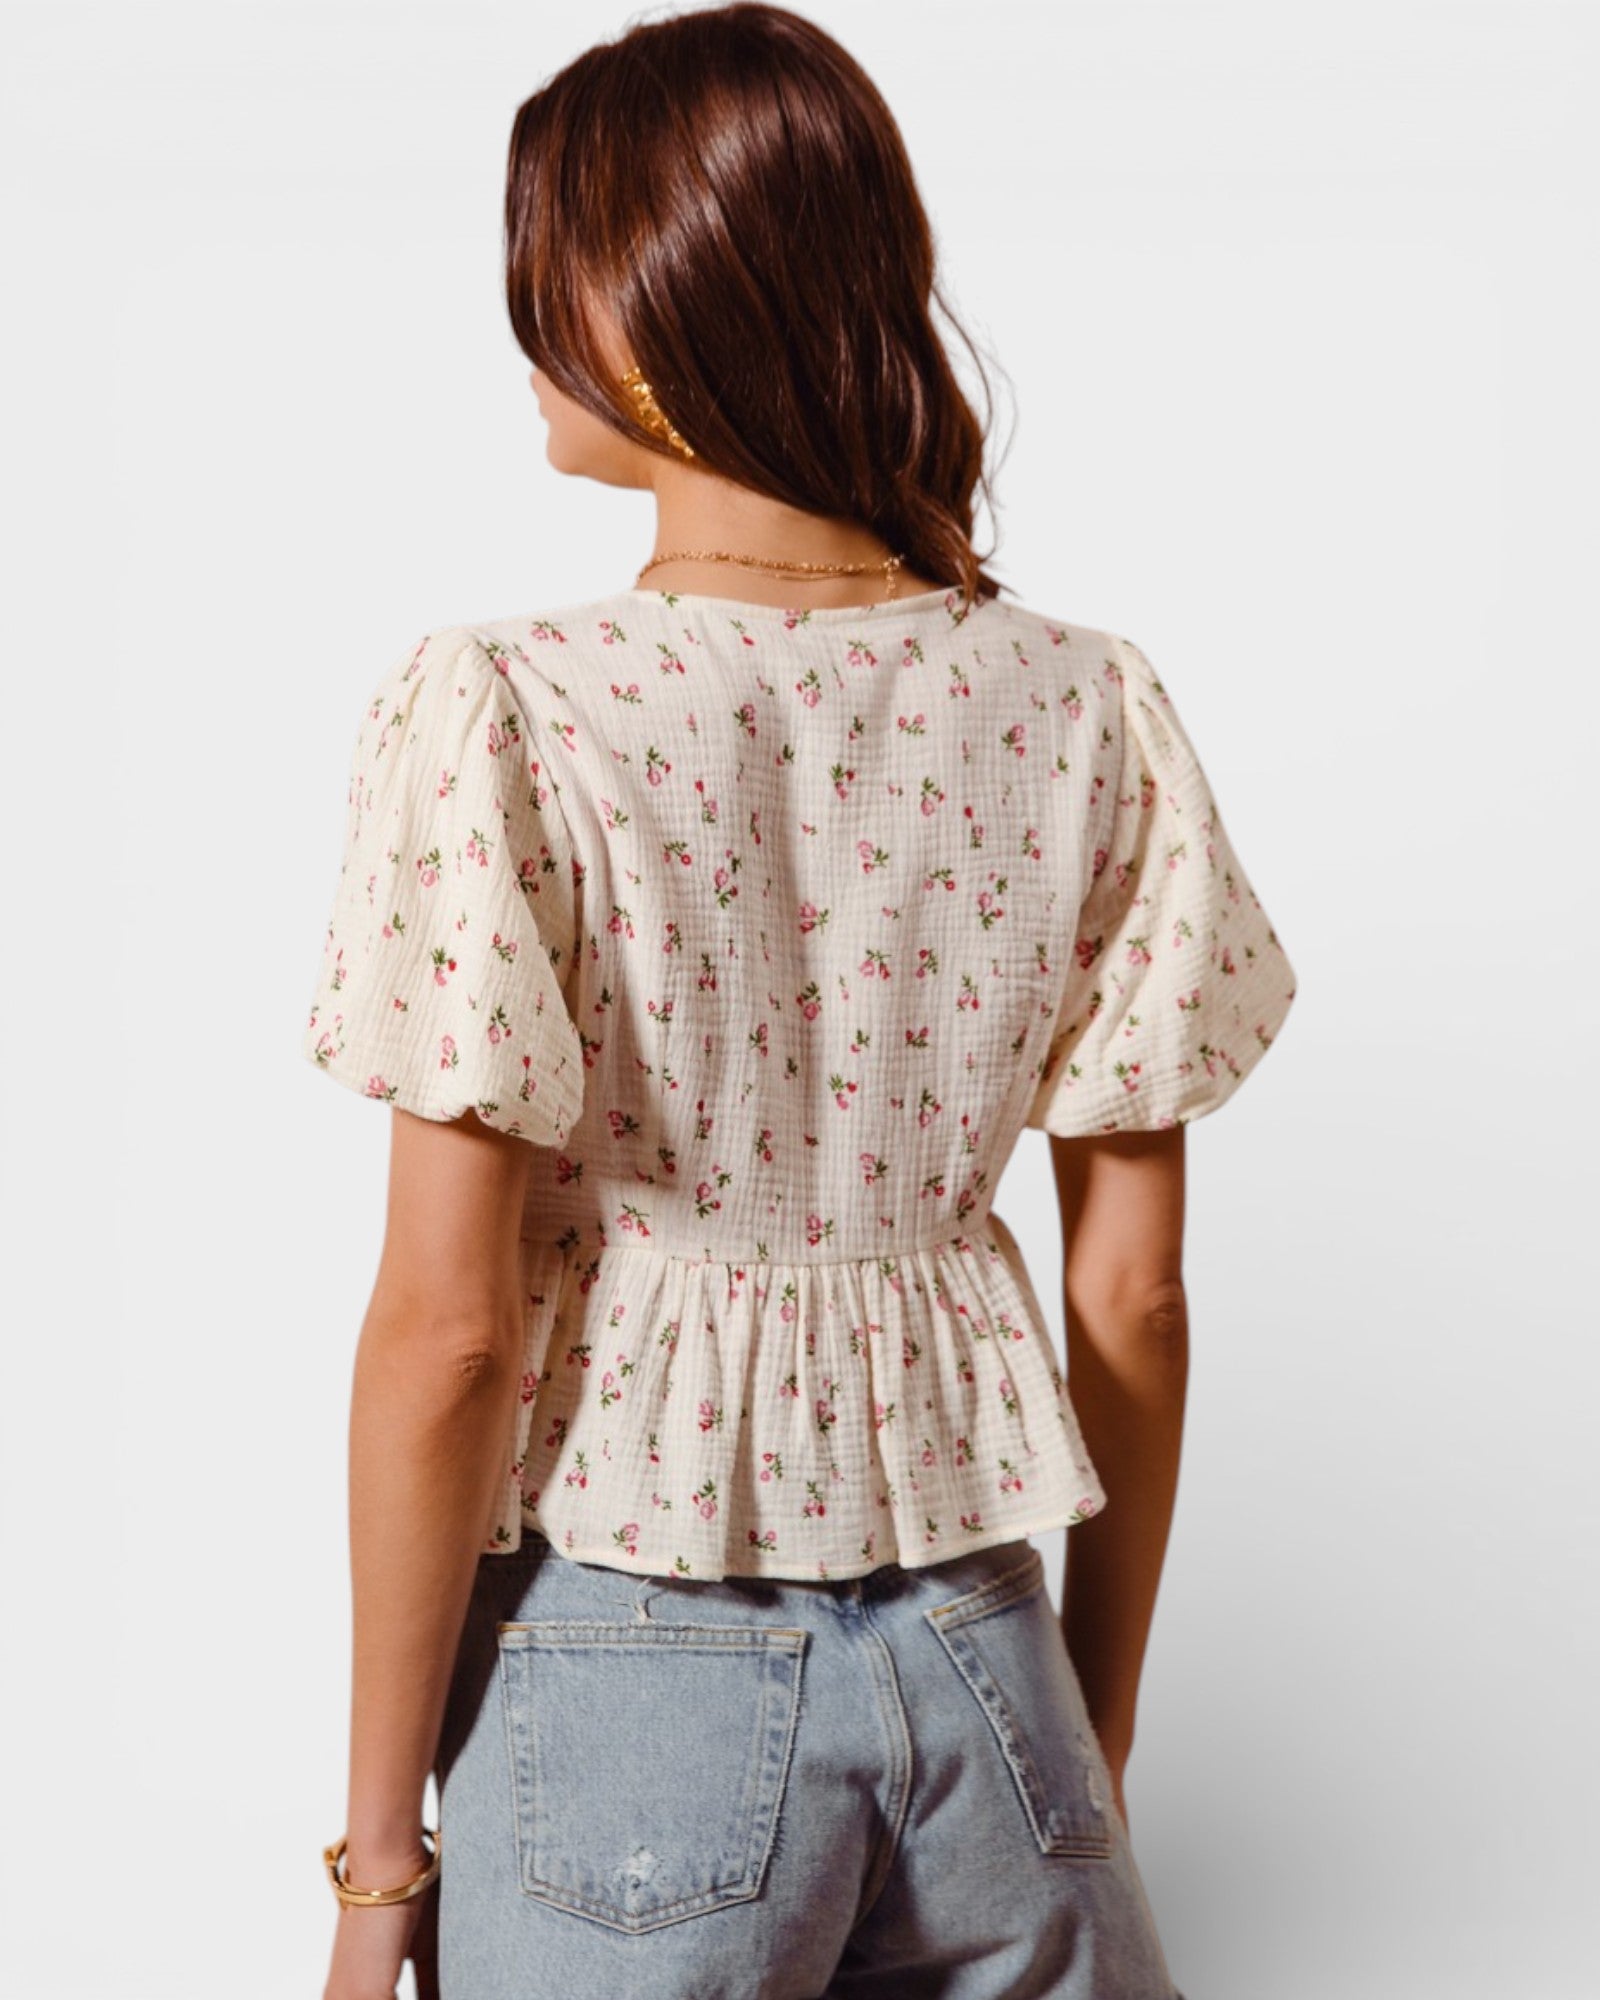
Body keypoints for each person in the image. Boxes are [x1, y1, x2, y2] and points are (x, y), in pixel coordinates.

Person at [302, 7, 1297, 1996]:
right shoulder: (1084, 700)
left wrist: (377, 1866)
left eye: (546, 276)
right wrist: (1091, 1742)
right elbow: (1135, 1298)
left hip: (629, 1674)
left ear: (655, 297)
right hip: (992, 1666)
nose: (522, 338)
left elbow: (448, 1333)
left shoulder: (508, 704)